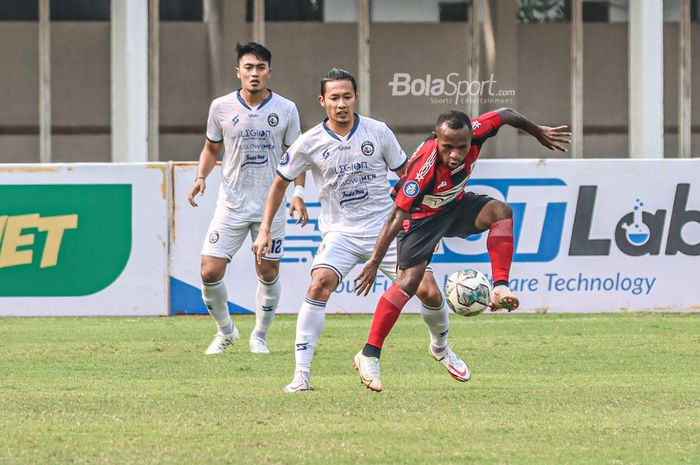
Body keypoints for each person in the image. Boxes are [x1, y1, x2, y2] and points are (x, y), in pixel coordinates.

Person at [253, 69, 470, 393]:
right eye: (335, 98)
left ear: (356, 97)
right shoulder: (309, 141)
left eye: (347, 97)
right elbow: (279, 183)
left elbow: (409, 179)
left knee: (429, 291)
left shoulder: (378, 132)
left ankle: (441, 348)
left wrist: (423, 227)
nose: (341, 104)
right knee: (319, 285)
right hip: (340, 234)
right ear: (322, 100)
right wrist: (264, 229)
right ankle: (301, 374)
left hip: (387, 229)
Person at [352, 109, 571, 391]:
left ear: (472, 138)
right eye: (448, 147)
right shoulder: (423, 170)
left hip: (454, 206)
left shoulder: (477, 131)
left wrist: (537, 131)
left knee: (501, 211)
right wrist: (374, 261)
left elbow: (504, 115)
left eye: (462, 147)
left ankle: (500, 287)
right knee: (411, 285)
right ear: (436, 139)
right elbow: (396, 216)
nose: (455, 154)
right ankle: (369, 354)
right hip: (420, 220)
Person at [187, 42, 307, 356]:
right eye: (249, 68)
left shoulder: (286, 109)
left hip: (271, 206)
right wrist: (201, 177)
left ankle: (260, 336)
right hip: (231, 204)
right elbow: (212, 148)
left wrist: (298, 193)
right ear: (238, 72)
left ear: (269, 72)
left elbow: (296, 156)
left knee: (267, 272)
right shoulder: (221, 107)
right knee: (209, 271)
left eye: (261, 68)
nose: (254, 74)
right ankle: (226, 332)